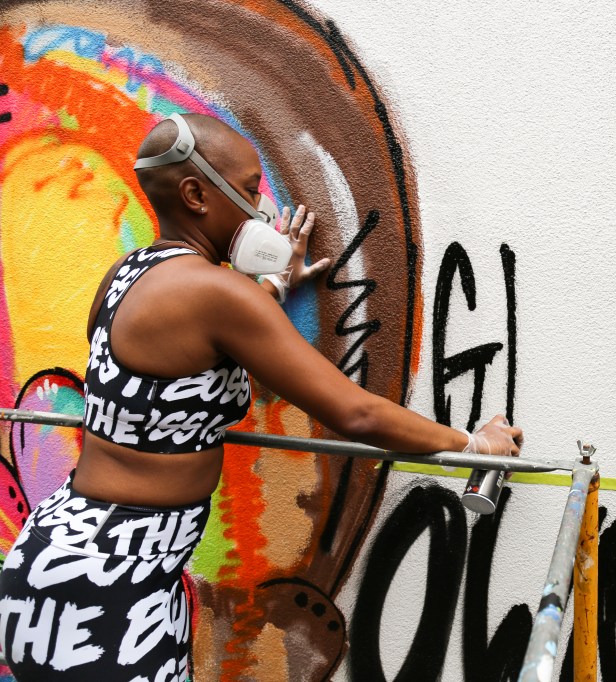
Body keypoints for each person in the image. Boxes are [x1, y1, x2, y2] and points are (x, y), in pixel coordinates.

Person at [0, 113, 523, 681]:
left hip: (67, 558)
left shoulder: (127, 275)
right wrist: (474, 442)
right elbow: (356, 412)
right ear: (197, 194)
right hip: (110, 586)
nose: (263, 210)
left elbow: (188, 356)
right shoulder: (217, 294)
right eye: (251, 191)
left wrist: (272, 286)